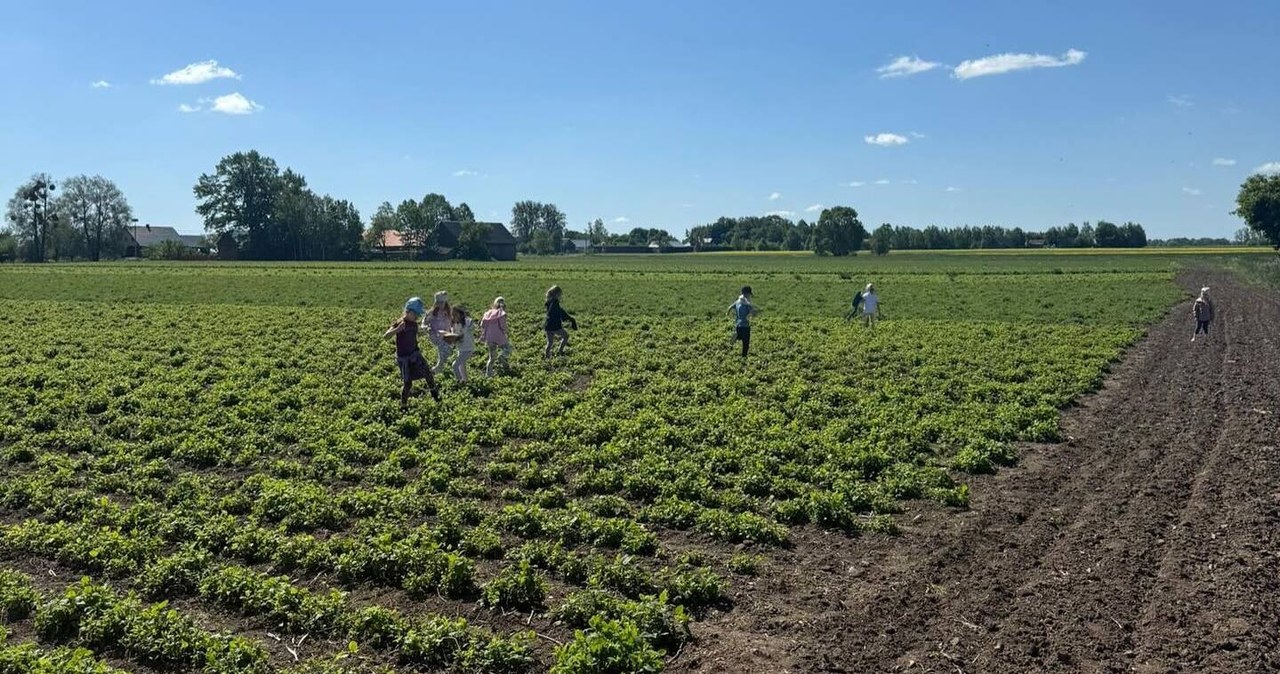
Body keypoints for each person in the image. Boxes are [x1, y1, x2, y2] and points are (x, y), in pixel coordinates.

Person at [383, 297, 441, 409]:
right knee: (408, 383)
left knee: (428, 374)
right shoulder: (400, 323)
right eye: (416, 315)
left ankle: (435, 395)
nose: (418, 317)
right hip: (404, 358)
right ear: (408, 312)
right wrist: (397, 330)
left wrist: (424, 331)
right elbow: (386, 336)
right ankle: (403, 405)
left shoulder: (413, 324)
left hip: (415, 354)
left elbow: (415, 333)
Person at [480, 296, 512, 377]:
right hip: (499, 336)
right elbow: (503, 326)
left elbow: (482, 324)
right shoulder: (501, 313)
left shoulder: (487, 313)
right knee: (508, 348)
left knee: (492, 357)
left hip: (489, 337)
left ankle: (488, 373)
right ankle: (502, 356)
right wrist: (507, 332)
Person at [422, 291, 453, 372]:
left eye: (443, 303)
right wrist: (427, 328)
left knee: (445, 352)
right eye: (439, 303)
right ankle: (439, 368)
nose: (441, 305)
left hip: (446, 335)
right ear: (436, 303)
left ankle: (441, 367)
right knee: (445, 350)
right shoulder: (432, 313)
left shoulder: (448, 312)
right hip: (435, 336)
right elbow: (424, 323)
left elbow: (452, 322)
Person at [544, 285, 577, 359]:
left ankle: (547, 357)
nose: (560, 296)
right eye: (560, 294)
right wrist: (569, 318)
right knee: (566, 336)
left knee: (550, 343)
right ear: (557, 294)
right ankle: (560, 351)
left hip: (548, 326)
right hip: (555, 326)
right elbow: (560, 312)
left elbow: (557, 312)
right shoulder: (555, 303)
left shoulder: (549, 302)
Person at [728, 286, 758, 359]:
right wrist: (755, 312)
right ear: (747, 294)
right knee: (746, 342)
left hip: (738, 324)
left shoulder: (738, 301)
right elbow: (753, 313)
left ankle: (737, 336)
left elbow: (730, 308)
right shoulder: (747, 304)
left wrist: (727, 314)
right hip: (745, 325)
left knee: (740, 336)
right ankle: (744, 357)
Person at [450, 306, 477, 383]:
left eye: (456, 314)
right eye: (453, 315)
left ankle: (459, 381)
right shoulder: (454, 325)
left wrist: (468, 319)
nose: (455, 316)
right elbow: (453, 337)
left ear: (460, 314)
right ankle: (465, 381)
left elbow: (472, 326)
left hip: (468, 348)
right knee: (462, 366)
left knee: (455, 365)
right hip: (460, 349)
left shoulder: (466, 321)